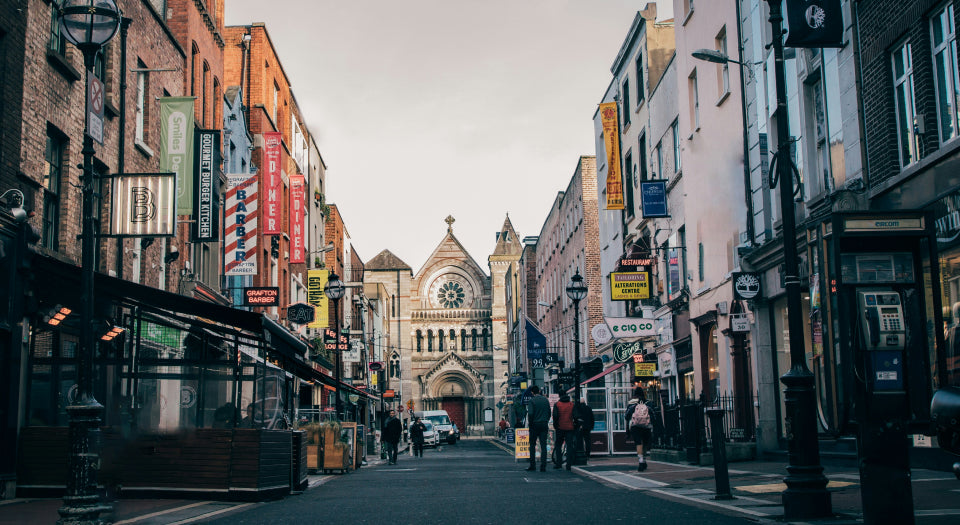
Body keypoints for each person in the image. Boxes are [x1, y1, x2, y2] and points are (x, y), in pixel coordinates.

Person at [625, 387, 653, 472]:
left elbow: (626, 416)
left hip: (635, 426)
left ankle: (640, 461)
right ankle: (644, 460)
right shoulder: (648, 403)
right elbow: (653, 414)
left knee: (638, 443)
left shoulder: (631, 404)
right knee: (645, 443)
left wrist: (627, 430)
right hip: (646, 426)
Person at [525, 385, 551, 472]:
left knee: (532, 445)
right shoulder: (545, 400)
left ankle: (533, 465)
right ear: (539, 391)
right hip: (544, 424)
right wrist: (545, 420)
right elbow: (549, 413)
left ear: (532, 392)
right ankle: (543, 466)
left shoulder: (532, 401)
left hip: (535, 424)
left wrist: (530, 424)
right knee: (543, 445)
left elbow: (531, 414)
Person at [551, 393, 575, 470]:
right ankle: (569, 464)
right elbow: (575, 415)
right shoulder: (571, 404)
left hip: (560, 427)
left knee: (558, 445)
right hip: (570, 428)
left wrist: (555, 425)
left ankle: (559, 463)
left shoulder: (557, 404)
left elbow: (555, 416)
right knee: (569, 446)